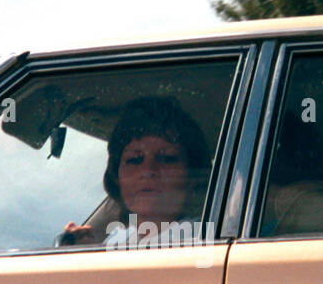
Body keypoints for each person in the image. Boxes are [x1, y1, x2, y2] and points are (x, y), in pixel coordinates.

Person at [59, 96, 210, 247]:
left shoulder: (202, 242)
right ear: (116, 176)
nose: (148, 170)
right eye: (134, 160)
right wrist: (75, 251)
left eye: (166, 159)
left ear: (193, 176)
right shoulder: (118, 240)